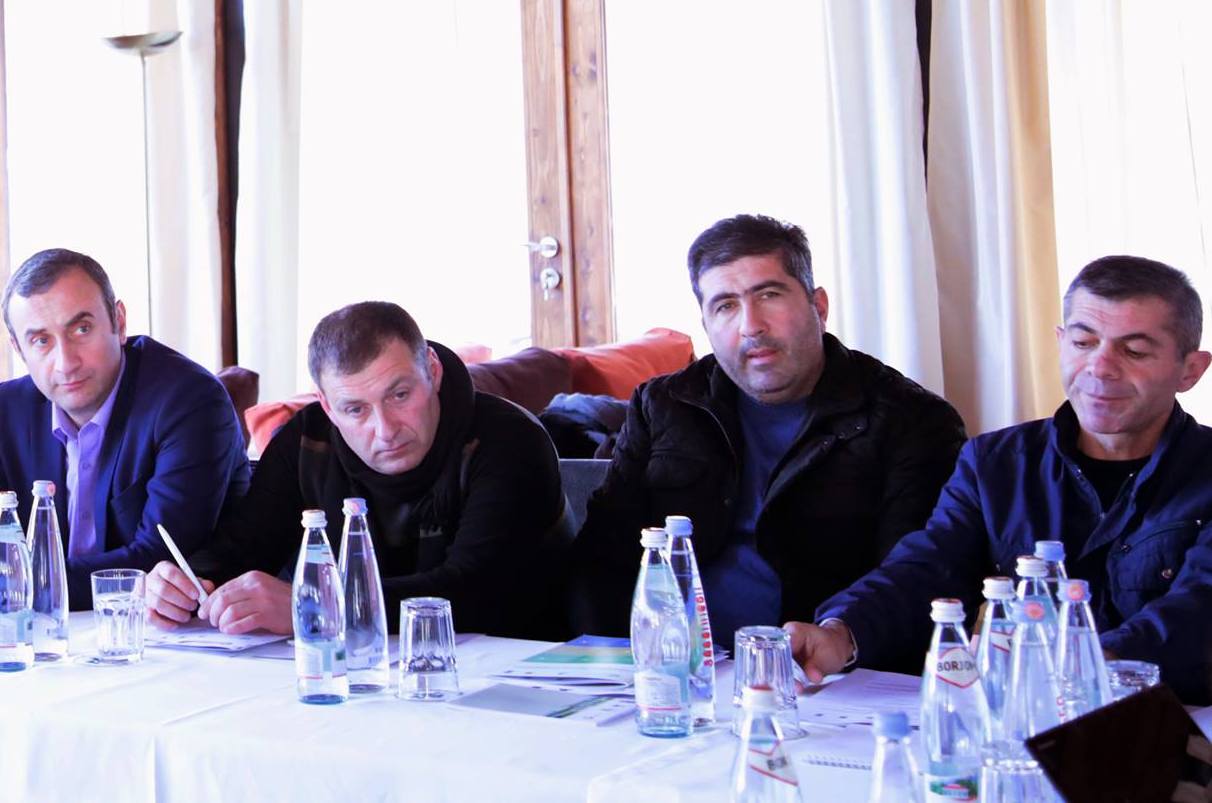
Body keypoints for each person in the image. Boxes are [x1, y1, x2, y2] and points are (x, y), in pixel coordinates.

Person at [791, 255, 1212, 702]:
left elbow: (1199, 608)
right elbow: (929, 568)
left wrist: (1084, 661)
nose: (1100, 367)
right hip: (1028, 717)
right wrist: (841, 633)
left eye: (1135, 351)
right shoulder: (995, 463)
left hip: (1180, 721)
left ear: (1191, 369)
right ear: (1060, 343)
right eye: (1083, 342)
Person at [576, 215, 967, 637]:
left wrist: (839, 636)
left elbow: (914, 578)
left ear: (819, 307)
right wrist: (606, 658)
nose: (751, 326)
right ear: (706, 326)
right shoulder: (663, 405)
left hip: (821, 663)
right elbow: (602, 555)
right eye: (726, 306)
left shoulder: (913, 420)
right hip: (671, 660)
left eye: (769, 295)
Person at [145, 300, 563, 638]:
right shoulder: (306, 442)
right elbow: (239, 549)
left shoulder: (509, 440)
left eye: (400, 395)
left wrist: (315, 606)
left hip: (518, 672)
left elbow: (476, 591)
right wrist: (186, 585)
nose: (385, 430)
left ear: (432, 372)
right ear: (327, 407)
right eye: (355, 409)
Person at [0, 248, 249, 611]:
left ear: (119, 322)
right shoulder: (14, 406)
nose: (66, 363)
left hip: (178, 632)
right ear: (19, 349)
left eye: (81, 329)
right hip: (56, 631)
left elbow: (159, 560)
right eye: (41, 341)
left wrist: (8, 587)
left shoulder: (189, 400)